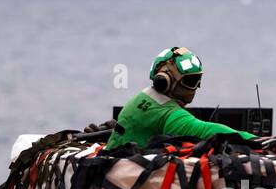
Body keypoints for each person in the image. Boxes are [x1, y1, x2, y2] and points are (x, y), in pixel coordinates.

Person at [103, 46, 254, 150]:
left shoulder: (142, 97)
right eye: (190, 81)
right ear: (165, 80)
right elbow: (207, 130)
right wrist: (256, 140)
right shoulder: (166, 112)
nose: (196, 87)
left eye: (197, 81)